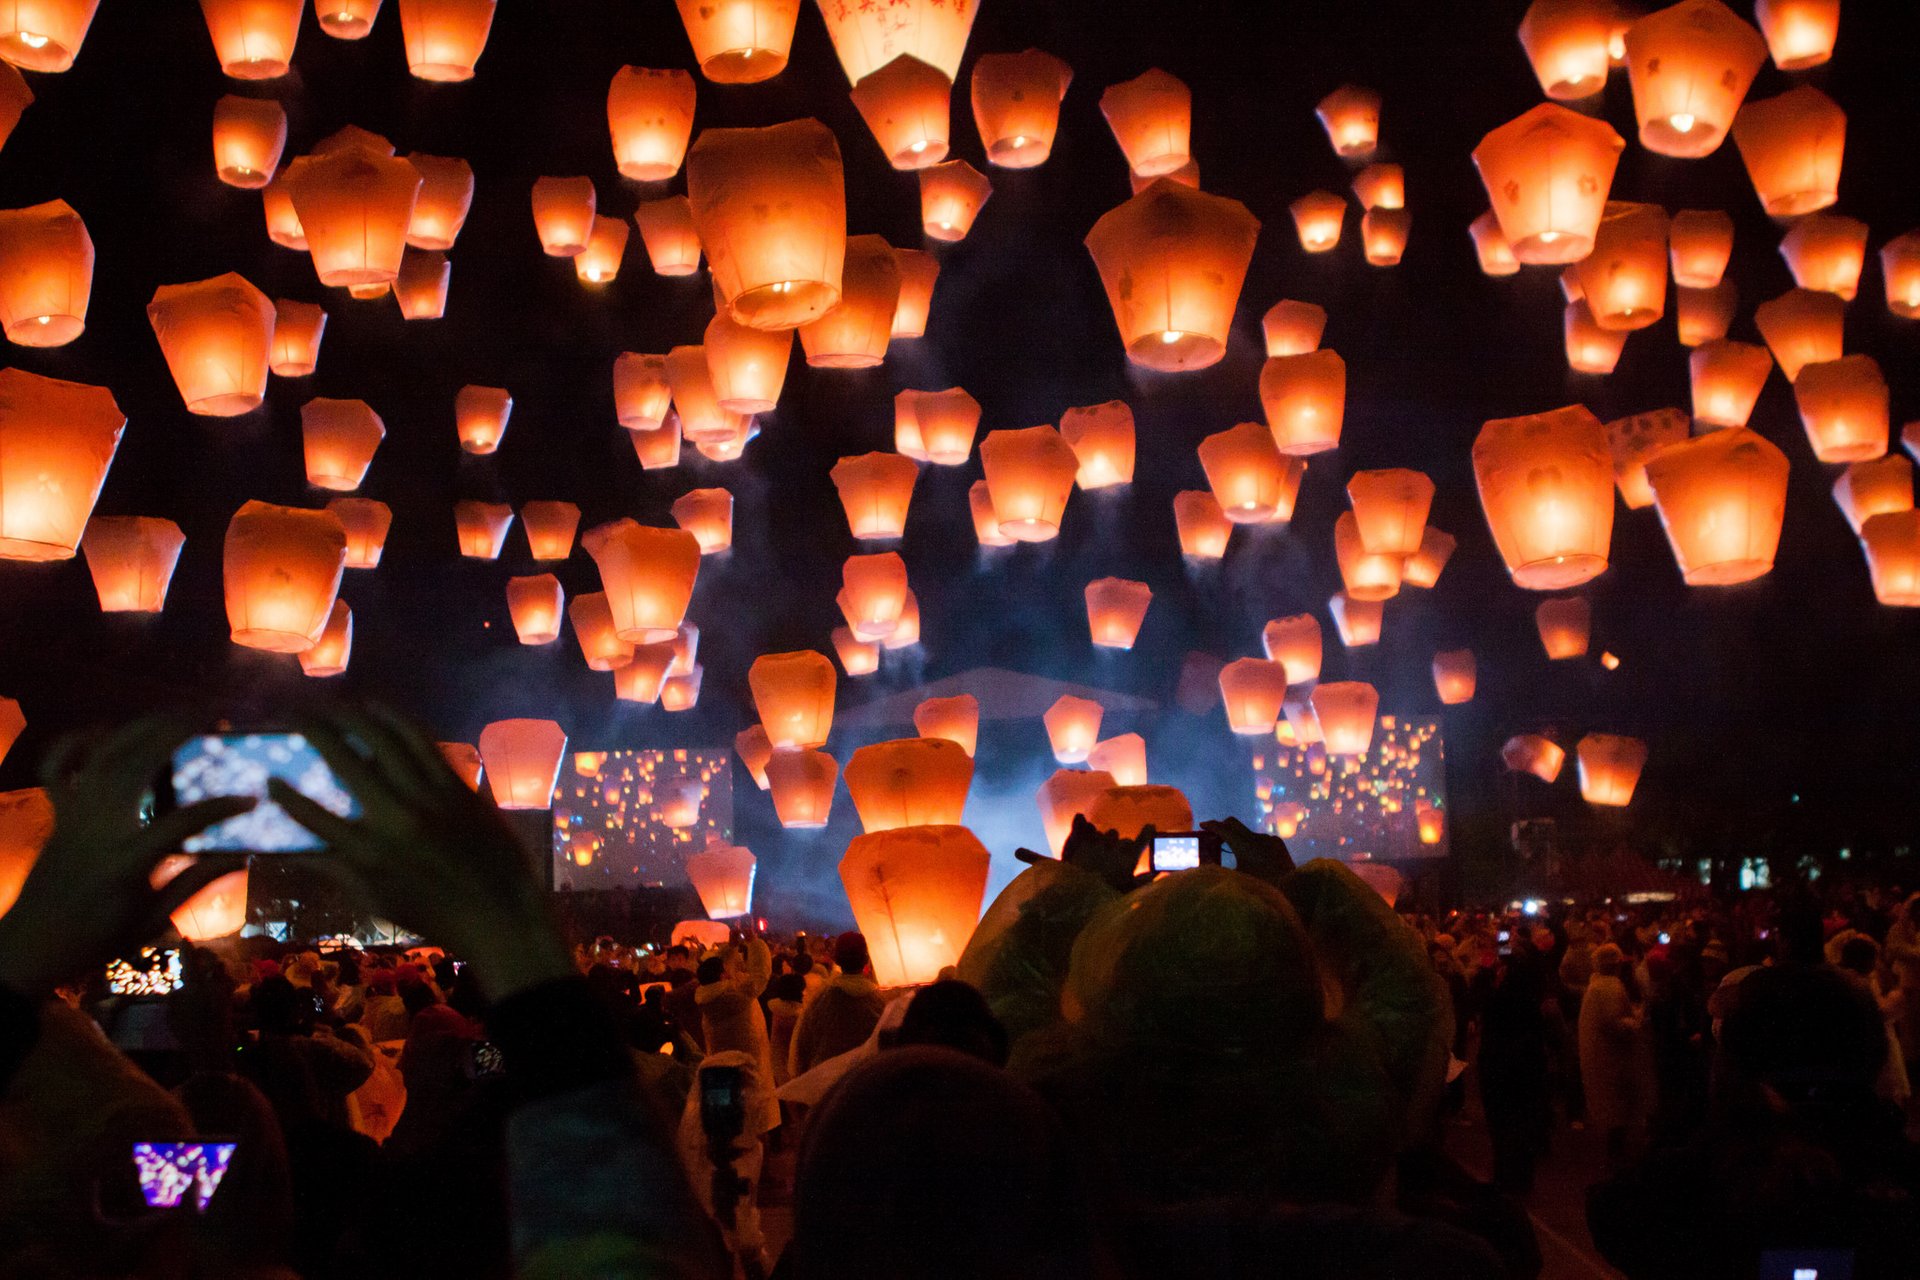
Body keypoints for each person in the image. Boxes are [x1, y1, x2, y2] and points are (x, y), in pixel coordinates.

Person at [1577, 943, 1652, 1170]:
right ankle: (1617, 1154)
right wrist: (1637, 1021)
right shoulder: (1608, 988)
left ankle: (1616, 1148)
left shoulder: (1598, 984)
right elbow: (1614, 1022)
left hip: (1601, 1053)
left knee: (1611, 1102)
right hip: (1611, 1056)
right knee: (1616, 1103)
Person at [787, 934, 885, 1078]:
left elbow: (802, 1045)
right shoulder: (881, 1001)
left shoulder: (821, 998)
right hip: (868, 1081)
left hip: (828, 1083)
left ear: (837, 958)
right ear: (865, 959)